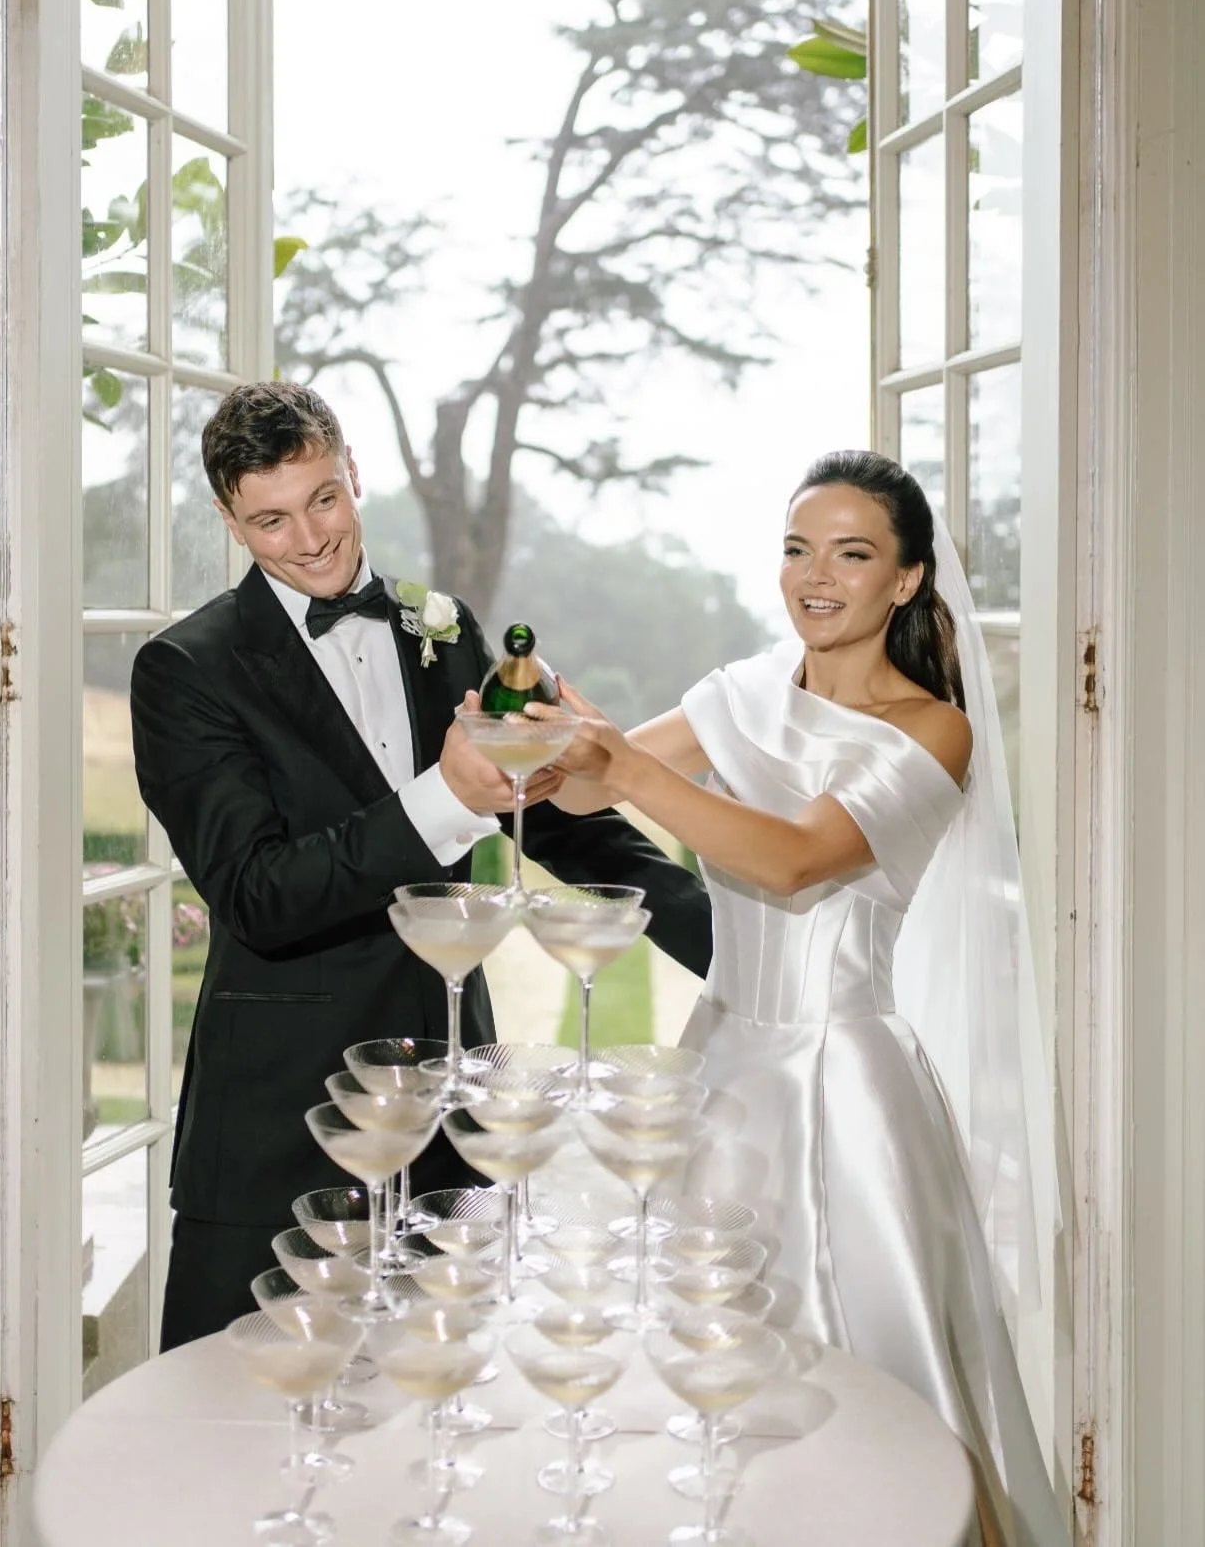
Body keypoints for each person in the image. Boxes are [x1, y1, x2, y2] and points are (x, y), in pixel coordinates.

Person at [545, 450, 1065, 1547]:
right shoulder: (740, 693)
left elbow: (791, 862)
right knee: (701, 1369)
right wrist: (557, 738)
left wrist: (628, 774)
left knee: (865, 1364)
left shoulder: (934, 730)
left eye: (851, 553)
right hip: (720, 1064)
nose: (814, 576)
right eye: (795, 549)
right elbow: (599, 783)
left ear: (908, 580)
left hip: (844, 1085)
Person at [131, 380, 712, 1351]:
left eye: (323, 498)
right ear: (233, 523)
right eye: (270, 520)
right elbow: (258, 895)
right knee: (239, 1431)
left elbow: (550, 822)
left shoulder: (438, 627)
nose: (310, 538)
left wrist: (733, 939)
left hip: (447, 1108)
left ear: (353, 473)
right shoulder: (186, 670)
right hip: (282, 1118)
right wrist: (445, 796)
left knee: (431, 1424)